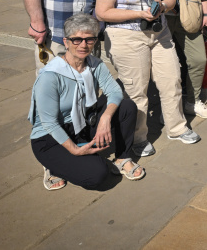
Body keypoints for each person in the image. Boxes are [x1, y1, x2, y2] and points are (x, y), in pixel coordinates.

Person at [96, 0, 201, 158]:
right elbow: (102, 12)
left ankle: (177, 127)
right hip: (127, 36)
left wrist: (162, 6)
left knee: (172, 80)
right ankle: (138, 138)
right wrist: (139, 14)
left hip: (159, 32)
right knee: (137, 91)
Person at [28, 14, 143, 191]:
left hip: (81, 126)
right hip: (50, 137)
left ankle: (122, 158)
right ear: (66, 42)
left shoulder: (94, 64)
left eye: (89, 39)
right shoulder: (50, 76)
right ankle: (53, 165)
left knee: (126, 107)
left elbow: (114, 91)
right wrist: (74, 150)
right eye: (77, 40)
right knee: (97, 175)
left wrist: (105, 118)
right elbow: (49, 122)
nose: (83, 45)